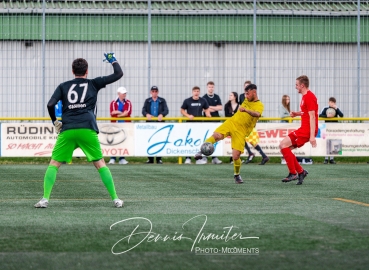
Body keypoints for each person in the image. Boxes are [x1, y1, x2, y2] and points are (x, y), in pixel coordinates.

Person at [34, 53, 124, 208]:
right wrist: (112, 59)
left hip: (68, 129)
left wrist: (55, 122)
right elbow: (118, 74)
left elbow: (50, 104)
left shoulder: (63, 86)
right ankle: (116, 199)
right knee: (100, 163)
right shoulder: (94, 83)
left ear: (72, 71)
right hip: (87, 128)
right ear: (87, 71)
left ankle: (44, 199)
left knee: (54, 163)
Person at [195, 84, 264, 184]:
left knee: (236, 156)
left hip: (241, 131)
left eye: (248, 94)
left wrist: (246, 110)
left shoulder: (259, 105)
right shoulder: (245, 99)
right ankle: (201, 151)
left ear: (254, 92)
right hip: (231, 123)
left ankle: (237, 174)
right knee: (216, 135)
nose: (246, 96)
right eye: (245, 94)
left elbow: (257, 114)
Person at [279, 75, 318, 185]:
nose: (295, 87)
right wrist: (296, 113)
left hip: (306, 131)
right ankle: (300, 172)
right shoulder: (305, 97)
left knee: (283, 145)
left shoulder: (309, 97)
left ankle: (294, 173)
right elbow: (307, 112)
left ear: (302, 85)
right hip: (304, 129)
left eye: (297, 85)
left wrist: (312, 136)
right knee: (285, 148)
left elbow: (312, 117)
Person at [240, 80, 269, 165]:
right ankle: (261, 155)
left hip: (249, 124)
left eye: (248, 86)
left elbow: (255, 112)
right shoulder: (243, 97)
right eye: (245, 87)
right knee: (246, 140)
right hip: (244, 123)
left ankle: (253, 154)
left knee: (250, 141)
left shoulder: (256, 101)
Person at [180, 86, 211, 165]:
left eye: (197, 91)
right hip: (189, 124)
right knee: (189, 141)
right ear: (192, 92)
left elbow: (207, 108)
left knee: (199, 141)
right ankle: (188, 158)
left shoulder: (203, 100)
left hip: (199, 124)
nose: (196, 93)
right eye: (195, 91)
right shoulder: (187, 101)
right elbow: (182, 110)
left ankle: (198, 158)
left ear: (199, 92)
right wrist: (188, 116)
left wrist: (207, 113)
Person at [142, 85, 169, 164]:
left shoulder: (162, 100)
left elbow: (166, 110)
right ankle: (150, 159)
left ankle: (158, 159)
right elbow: (143, 110)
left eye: (156, 91)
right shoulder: (147, 101)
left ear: (158, 92)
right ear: (151, 92)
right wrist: (146, 114)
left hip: (159, 124)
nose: (154, 93)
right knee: (150, 140)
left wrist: (161, 114)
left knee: (159, 140)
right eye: (153, 91)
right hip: (150, 124)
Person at [108, 87, 132, 165]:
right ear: (118, 94)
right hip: (115, 125)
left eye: (125, 93)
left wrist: (119, 114)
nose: (124, 94)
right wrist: (121, 113)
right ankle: (112, 158)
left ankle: (122, 158)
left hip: (125, 125)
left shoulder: (128, 102)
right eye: (123, 93)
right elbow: (113, 112)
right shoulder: (113, 102)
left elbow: (127, 112)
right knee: (114, 141)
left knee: (123, 141)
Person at [202, 81, 223, 165]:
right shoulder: (204, 98)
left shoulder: (217, 97)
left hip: (216, 121)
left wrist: (210, 107)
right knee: (207, 139)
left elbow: (220, 108)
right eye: (209, 87)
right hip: (207, 121)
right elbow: (204, 109)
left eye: (212, 87)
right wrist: (214, 108)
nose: (211, 88)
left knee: (215, 139)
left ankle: (214, 157)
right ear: (207, 87)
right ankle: (205, 157)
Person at [319, 97, 344, 164]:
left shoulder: (336, 110)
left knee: (334, 142)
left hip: (334, 128)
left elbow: (341, 115)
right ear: (328, 102)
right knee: (327, 142)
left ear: (334, 103)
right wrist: (327, 116)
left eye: (333, 102)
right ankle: (326, 158)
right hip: (327, 127)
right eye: (331, 102)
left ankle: (332, 159)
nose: (332, 103)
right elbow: (320, 115)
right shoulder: (326, 109)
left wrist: (337, 109)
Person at [224, 92, 239, 164]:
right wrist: (233, 115)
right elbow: (227, 115)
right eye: (229, 95)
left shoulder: (239, 105)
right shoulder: (227, 105)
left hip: (237, 126)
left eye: (231, 95)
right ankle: (232, 158)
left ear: (235, 97)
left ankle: (233, 158)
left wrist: (233, 115)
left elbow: (239, 116)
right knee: (230, 143)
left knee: (236, 143)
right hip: (230, 125)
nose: (229, 96)